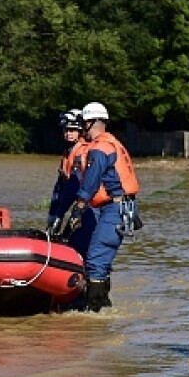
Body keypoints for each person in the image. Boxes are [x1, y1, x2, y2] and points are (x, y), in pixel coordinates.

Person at [68, 101, 140, 312]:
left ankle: (94, 311)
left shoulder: (100, 148)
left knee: (96, 258)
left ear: (90, 123)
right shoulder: (113, 143)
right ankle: (103, 305)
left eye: (83, 124)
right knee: (99, 257)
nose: (81, 129)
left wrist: (79, 206)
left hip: (115, 209)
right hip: (120, 207)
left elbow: (91, 180)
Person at [46, 109, 96, 257]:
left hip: (88, 206)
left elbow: (74, 186)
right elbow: (60, 187)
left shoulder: (82, 152)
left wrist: (60, 214)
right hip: (77, 203)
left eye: (73, 130)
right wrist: (54, 214)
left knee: (78, 242)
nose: (69, 133)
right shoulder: (68, 152)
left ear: (80, 131)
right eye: (66, 130)